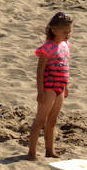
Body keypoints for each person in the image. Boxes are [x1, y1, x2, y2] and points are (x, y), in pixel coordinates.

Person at [27, 12, 72, 160]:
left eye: (69, 31)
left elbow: (66, 66)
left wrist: (67, 86)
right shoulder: (47, 48)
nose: (68, 35)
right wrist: (40, 91)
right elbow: (40, 70)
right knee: (40, 120)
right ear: (53, 30)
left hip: (60, 86)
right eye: (65, 32)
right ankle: (32, 152)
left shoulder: (65, 45)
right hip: (49, 87)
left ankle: (49, 150)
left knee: (53, 120)